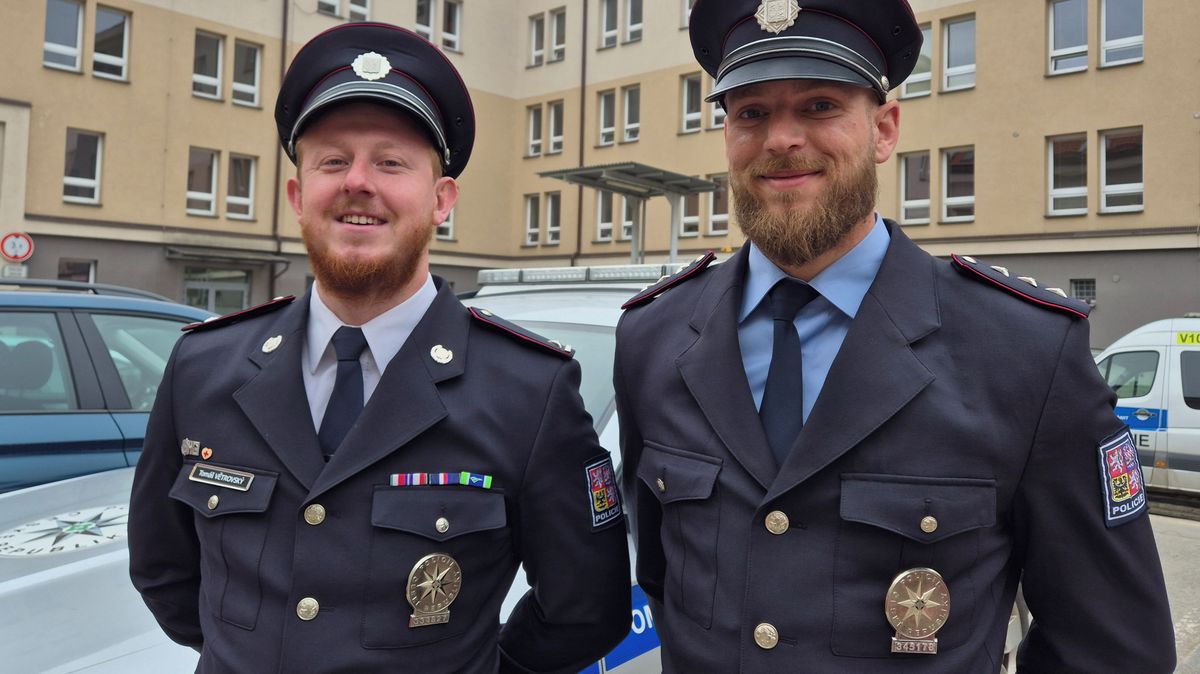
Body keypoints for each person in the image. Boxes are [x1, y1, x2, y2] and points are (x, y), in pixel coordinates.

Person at [613, 0, 1176, 671]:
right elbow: (665, 581)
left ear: (884, 130)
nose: (781, 139)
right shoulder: (653, 339)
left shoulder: (1026, 352)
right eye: (751, 112)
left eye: (820, 106)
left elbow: (1113, 648)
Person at [129, 23, 629, 673]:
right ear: (296, 197)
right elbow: (164, 569)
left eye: (391, 162)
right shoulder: (204, 367)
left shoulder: (528, 389)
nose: (358, 182)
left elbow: (585, 606)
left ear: (440, 199)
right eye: (332, 161)